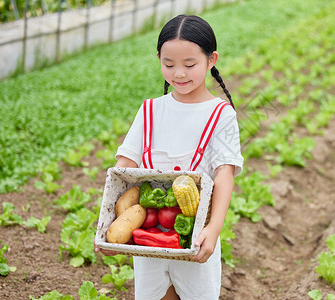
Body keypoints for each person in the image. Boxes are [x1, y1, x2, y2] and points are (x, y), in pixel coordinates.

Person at [95, 14, 243, 300]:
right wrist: (108, 225)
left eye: (190, 65)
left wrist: (214, 229)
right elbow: (125, 167)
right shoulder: (150, 111)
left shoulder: (220, 114)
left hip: (193, 232)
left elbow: (225, 173)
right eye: (168, 64)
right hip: (149, 231)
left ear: (211, 60)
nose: (179, 74)